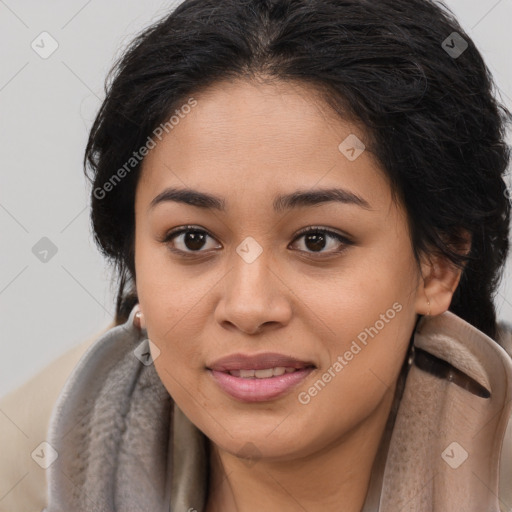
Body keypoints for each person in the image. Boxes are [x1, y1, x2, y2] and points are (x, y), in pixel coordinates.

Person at [1, 0, 512, 510]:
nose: (248, 308)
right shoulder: (41, 452)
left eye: (317, 240)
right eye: (193, 239)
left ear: (439, 264)